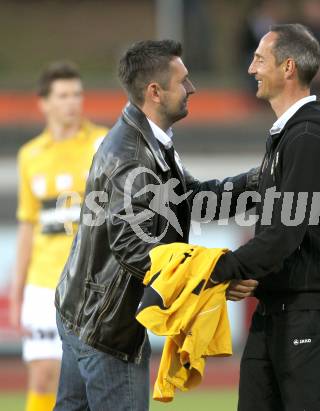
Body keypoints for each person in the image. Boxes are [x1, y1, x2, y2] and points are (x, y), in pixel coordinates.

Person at [54, 40, 259, 411]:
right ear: (155, 92)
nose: (191, 88)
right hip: (107, 332)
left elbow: (193, 199)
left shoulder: (146, 139)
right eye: (183, 81)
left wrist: (259, 183)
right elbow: (134, 248)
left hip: (82, 313)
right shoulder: (133, 157)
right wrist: (212, 274)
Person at [211, 24, 320, 410]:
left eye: (259, 59)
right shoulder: (290, 135)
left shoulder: (309, 136)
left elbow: (286, 232)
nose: (251, 68)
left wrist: (219, 270)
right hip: (278, 308)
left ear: (288, 67)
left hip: (306, 313)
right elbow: (240, 193)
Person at [9, 62, 107, 411]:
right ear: (44, 103)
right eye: (63, 95)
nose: (72, 102)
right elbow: (27, 225)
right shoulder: (30, 155)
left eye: (77, 94)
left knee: (89, 381)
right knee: (43, 376)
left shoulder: (103, 144)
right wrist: (16, 290)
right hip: (42, 284)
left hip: (90, 283)